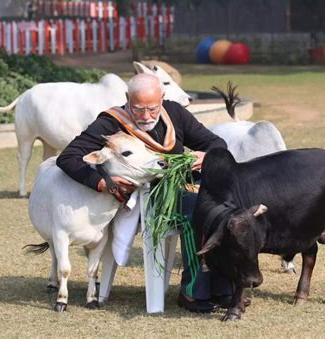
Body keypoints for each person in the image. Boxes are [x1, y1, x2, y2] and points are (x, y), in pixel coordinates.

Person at [56, 73, 230, 313]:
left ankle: (222, 288)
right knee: (197, 211)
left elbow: (216, 143)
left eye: (152, 108)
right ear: (128, 99)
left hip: (179, 186)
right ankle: (192, 292)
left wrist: (206, 155)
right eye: (138, 109)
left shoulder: (175, 113)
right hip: (145, 198)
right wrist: (102, 183)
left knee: (224, 207)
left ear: (163, 99)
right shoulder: (111, 122)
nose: (146, 116)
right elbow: (68, 157)